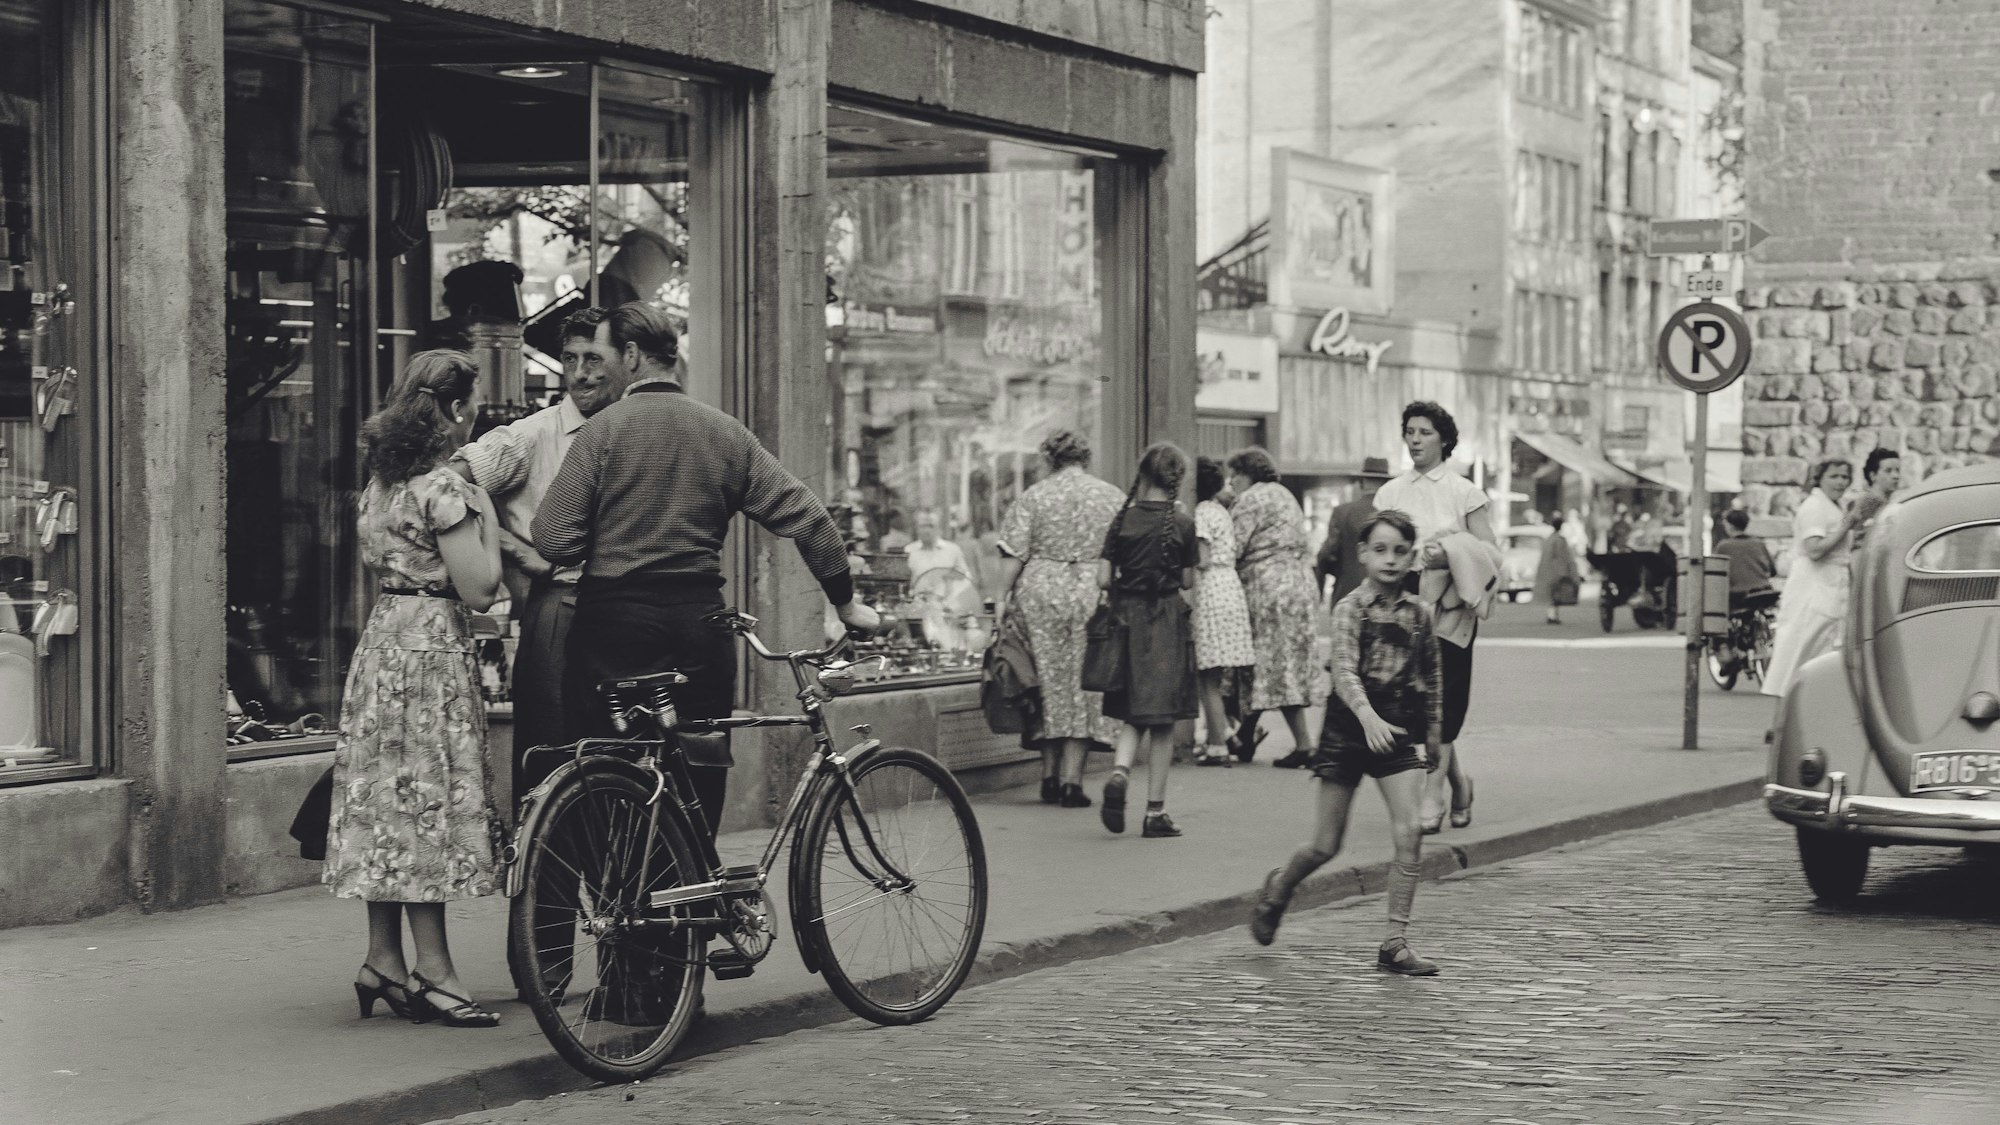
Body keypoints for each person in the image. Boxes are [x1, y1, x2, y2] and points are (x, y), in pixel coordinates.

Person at [532, 303, 880, 842]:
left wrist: (601, 532)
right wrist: (846, 604)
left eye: (603, 355)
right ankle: (689, 888)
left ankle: (616, 886)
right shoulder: (725, 433)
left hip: (612, 628)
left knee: (604, 767)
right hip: (696, 628)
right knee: (696, 768)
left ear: (631, 355)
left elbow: (553, 537)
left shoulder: (602, 432)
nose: (596, 370)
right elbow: (810, 518)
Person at [327, 350, 506, 1029]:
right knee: (427, 806)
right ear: (456, 409)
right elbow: (480, 588)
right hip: (431, 650)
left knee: (387, 806)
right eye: (473, 404)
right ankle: (436, 972)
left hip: (383, 644)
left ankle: (383, 960)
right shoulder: (444, 489)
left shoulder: (381, 485)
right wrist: (489, 522)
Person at [1248, 509, 1442, 976]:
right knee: (1325, 845)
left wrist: (1435, 733)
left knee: (1410, 831)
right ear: (1363, 554)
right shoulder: (1349, 609)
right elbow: (1344, 671)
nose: (1390, 560)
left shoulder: (1420, 614)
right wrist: (1367, 718)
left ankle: (1394, 943)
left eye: (1400, 551)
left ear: (1412, 557)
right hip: (1348, 729)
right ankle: (1280, 888)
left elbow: (1432, 676)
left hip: (1396, 729)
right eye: (1380, 550)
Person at [447, 307, 622, 793]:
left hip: (626, 609)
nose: (580, 373)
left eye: (593, 359)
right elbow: (445, 487)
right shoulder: (533, 434)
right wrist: (514, 549)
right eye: (570, 359)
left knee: (618, 756)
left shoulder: (635, 430)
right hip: (561, 607)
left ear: (623, 361)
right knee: (550, 750)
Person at [1373, 401, 1493, 835]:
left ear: (1444, 439)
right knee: (1413, 700)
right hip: (1404, 601)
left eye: (1424, 432)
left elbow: (1491, 552)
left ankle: (1433, 793)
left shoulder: (1465, 492)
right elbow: (1379, 549)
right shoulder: (1390, 493)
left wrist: (1452, 552)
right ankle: (1459, 783)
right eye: (1410, 431)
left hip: (1451, 604)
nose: (1415, 440)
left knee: (1445, 696)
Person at [995, 430, 1126, 807]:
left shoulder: (1034, 496)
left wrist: (1000, 598)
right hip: (1092, 592)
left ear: (1050, 458)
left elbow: (1014, 554)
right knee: (1084, 686)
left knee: (1046, 682)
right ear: (1084, 457)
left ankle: (1049, 777)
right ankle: (1072, 782)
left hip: (1041, 591)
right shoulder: (1111, 496)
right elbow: (1122, 553)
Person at [1096, 443, 1200, 838]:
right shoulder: (1183, 524)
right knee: (1163, 721)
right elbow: (1188, 581)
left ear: (1142, 475)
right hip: (1166, 622)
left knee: (1134, 710)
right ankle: (1155, 812)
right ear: (1177, 479)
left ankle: (1120, 771)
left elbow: (1103, 578)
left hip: (1128, 621)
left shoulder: (1122, 519)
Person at [1227, 447, 1325, 769]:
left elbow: (1232, 547)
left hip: (1270, 588)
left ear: (1248, 474)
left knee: (1275, 667)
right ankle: (1245, 735)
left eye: (1235, 475)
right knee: (1275, 665)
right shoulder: (1285, 495)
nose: (1231, 482)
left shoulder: (1250, 499)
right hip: (1300, 584)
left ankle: (1304, 745)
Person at [1762, 459, 1881, 718]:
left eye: (1844, 477)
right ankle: (1781, 721)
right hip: (1812, 588)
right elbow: (1815, 549)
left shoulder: (1833, 507)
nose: (1840, 482)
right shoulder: (1814, 507)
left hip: (1831, 587)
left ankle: (1807, 717)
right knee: (1799, 651)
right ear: (1820, 478)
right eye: (1834, 476)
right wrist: (1848, 523)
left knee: (1820, 654)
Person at [1190, 457, 1256, 767]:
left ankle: (1218, 745)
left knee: (1207, 676)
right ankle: (1224, 734)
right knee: (1213, 675)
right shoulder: (1221, 511)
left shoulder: (1202, 512)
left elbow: (1202, 558)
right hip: (1229, 586)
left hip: (1211, 589)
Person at [1713, 508, 1778, 668]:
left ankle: (1726, 651)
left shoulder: (1723, 546)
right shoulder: (1758, 543)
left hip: (1738, 595)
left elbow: (1716, 574)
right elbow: (1773, 570)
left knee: (1719, 615)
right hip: (1764, 592)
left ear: (1729, 525)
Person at [1533, 512, 1581, 625]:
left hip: (1549, 570)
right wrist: (1566, 571)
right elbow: (1562, 557)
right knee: (1555, 595)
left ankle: (1552, 615)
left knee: (1552, 595)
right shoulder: (1559, 540)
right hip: (1556, 570)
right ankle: (1552, 616)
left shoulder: (1549, 539)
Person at [1853, 447, 1903, 548]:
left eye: (1898, 470)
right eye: (1888, 471)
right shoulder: (1868, 502)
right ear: (1873, 476)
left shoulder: (1888, 502)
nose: (1896, 476)